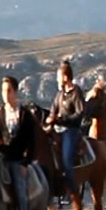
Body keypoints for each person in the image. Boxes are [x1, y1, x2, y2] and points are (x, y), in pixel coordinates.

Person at [0, 75, 38, 210]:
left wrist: (25, 163)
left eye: (9, 90)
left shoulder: (24, 114)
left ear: (15, 92)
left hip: (17, 161)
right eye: (3, 91)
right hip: (2, 159)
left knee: (20, 193)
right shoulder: (1, 113)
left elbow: (32, 142)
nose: (6, 94)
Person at [46, 59, 87, 199]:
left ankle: (73, 191)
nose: (57, 79)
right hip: (57, 129)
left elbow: (79, 113)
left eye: (58, 77)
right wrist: (50, 118)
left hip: (71, 130)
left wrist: (62, 120)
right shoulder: (59, 94)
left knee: (67, 160)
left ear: (65, 77)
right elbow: (53, 109)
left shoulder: (76, 92)